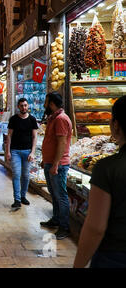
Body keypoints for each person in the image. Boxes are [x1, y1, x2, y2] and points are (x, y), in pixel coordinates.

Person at [74, 96, 126, 268]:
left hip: (115, 256)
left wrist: (78, 265)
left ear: (115, 125)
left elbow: (95, 227)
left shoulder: (107, 168)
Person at [40, 92, 73, 240]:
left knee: (61, 196)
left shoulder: (60, 119)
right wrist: (45, 159)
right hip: (50, 163)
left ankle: (64, 227)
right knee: (54, 194)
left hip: (57, 165)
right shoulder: (54, 118)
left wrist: (55, 164)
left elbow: (61, 143)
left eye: (46, 102)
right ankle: (56, 219)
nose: (44, 105)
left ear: (52, 103)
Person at [5, 98, 38, 209]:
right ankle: (17, 199)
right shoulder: (13, 119)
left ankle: (23, 196)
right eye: (21, 106)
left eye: (25, 105)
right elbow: (9, 135)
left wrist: (33, 152)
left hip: (28, 152)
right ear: (18, 107)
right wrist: (8, 151)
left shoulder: (32, 120)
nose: (23, 107)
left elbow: (34, 137)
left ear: (28, 106)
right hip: (15, 152)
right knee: (16, 175)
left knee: (26, 176)